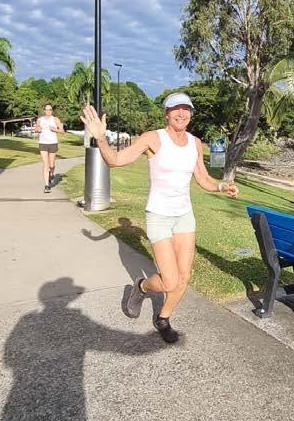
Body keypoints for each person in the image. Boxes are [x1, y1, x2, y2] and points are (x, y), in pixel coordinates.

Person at [79, 92, 238, 343]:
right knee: (169, 281)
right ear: (166, 113)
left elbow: (203, 178)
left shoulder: (195, 143)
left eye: (186, 109)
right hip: (159, 215)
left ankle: (163, 318)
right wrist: (100, 137)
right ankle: (141, 286)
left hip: (184, 216)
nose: (181, 113)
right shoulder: (153, 138)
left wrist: (221, 186)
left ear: (191, 114)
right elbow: (115, 160)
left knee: (184, 277)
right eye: (176, 108)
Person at [34, 104, 65, 193]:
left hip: (52, 143)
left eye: (50, 110)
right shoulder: (40, 119)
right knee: (46, 164)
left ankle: (51, 173)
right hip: (43, 143)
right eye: (47, 110)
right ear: (44, 111)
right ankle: (47, 185)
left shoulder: (55, 119)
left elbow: (62, 131)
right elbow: (36, 128)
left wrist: (54, 129)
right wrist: (38, 129)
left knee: (51, 165)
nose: (48, 111)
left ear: (52, 111)